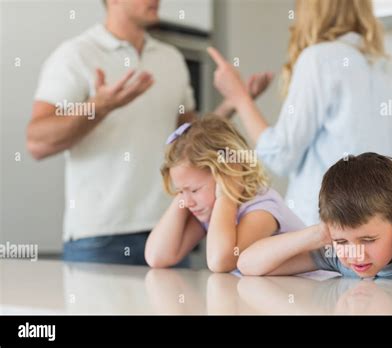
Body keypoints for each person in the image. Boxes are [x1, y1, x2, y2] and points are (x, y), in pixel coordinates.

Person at [26, 0, 270, 265]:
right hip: (100, 237)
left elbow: (188, 140)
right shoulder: (76, 55)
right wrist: (99, 107)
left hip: (169, 229)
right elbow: (37, 141)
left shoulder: (171, 59)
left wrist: (235, 102)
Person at [207, 0, 392, 225]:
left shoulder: (319, 58)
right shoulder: (386, 72)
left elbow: (281, 155)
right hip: (375, 231)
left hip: (322, 229)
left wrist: (240, 98)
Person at [237, 153, 392, 284]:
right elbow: (248, 265)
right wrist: (319, 233)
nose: (355, 254)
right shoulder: (336, 251)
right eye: (342, 241)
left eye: (368, 239)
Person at [145, 115, 305, 272]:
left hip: (312, 293)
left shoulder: (262, 209)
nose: (187, 202)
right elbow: (156, 257)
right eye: (180, 192)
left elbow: (220, 261)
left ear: (229, 173)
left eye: (194, 190)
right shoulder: (210, 210)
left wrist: (226, 195)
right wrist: (185, 191)